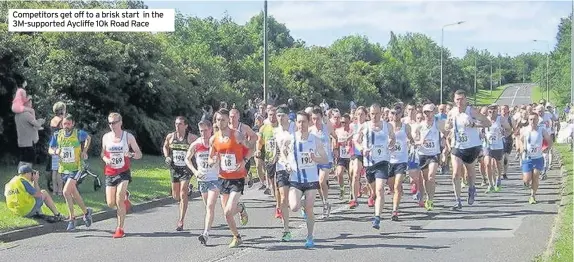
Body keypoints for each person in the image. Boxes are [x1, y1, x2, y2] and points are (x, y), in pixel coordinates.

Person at [278, 111, 329, 247]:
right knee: (294, 207)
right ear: (296, 123)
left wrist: (315, 159)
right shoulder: (291, 138)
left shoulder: (315, 139)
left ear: (309, 122)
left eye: (304, 122)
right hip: (295, 179)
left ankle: (310, 236)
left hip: (311, 180)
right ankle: (301, 205)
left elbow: (325, 158)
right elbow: (282, 152)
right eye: (299, 122)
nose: (301, 124)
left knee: (309, 208)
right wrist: (287, 163)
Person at [209, 108, 251, 248]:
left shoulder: (237, 135)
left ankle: (237, 231)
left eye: (223, 120)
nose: (220, 122)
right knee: (227, 214)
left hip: (237, 177)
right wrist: (213, 160)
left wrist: (244, 161)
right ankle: (237, 235)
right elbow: (210, 158)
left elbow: (251, 148)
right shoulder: (214, 139)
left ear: (228, 120)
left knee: (228, 211)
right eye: (218, 120)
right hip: (223, 178)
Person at [445, 90, 491, 210]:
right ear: (454, 100)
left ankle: (471, 188)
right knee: (455, 173)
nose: (459, 102)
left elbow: (488, 123)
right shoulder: (452, 112)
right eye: (457, 99)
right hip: (457, 146)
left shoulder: (472, 111)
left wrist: (474, 125)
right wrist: (448, 125)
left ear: (466, 99)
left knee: (470, 173)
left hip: (472, 146)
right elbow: (446, 127)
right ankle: (458, 201)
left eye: (461, 99)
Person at [48, 114, 93, 231]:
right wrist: (56, 151)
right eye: (64, 124)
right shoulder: (57, 135)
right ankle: (86, 212)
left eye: (68, 124)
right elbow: (50, 149)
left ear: (73, 124)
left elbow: (88, 138)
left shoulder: (78, 133)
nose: (66, 126)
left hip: (76, 168)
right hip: (64, 169)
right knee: (74, 193)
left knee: (66, 192)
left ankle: (72, 219)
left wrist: (84, 151)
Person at [101, 112, 143, 238]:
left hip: (123, 172)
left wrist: (130, 154)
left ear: (120, 123)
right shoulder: (106, 137)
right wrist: (106, 160)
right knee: (110, 203)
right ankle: (126, 197)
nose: (112, 125)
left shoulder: (128, 137)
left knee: (119, 197)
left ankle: (120, 228)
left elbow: (139, 154)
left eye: (114, 122)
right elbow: (102, 154)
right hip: (110, 172)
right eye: (109, 123)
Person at [186, 120, 220, 245]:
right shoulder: (196, 144)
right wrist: (195, 172)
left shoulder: (216, 143)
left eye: (205, 130)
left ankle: (205, 234)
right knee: (208, 207)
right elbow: (187, 158)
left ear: (210, 130)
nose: (203, 133)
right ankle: (240, 208)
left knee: (210, 206)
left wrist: (218, 159)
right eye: (201, 131)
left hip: (215, 179)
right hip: (202, 180)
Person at [162, 116, 196, 231]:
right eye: (176, 123)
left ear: (186, 126)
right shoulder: (171, 137)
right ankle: (188, 190)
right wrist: (167, 156)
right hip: (175, 169)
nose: (177, 126)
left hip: (186, 169)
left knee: (182, 194)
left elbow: (201, 146)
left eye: (180, 124)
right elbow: (165, 146)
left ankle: (181, 221)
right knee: (175, 196)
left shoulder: (191, 138)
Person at [518, 112, 553, 204]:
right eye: (531, 119)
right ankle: (526, 182)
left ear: (538, 120)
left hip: (538, 157)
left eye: (534, 119)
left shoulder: (542, 130)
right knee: (527, 179)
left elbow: (549, 140)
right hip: (527, 158)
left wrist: (547, 148)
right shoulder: (525, 130)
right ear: (528, 120)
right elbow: (519, 140)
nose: (532, 121)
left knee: (536, 175)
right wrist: (521, 148)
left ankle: (532, 196)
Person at [14, 96, 45, 168]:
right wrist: (41, 121)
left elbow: (29, 126)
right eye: (30, 102)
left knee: (23, 159)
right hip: (28, 142)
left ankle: (20, 175)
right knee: (29, 161)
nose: (31, 104)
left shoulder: (17, 115)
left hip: (21, 141)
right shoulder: (27, 114)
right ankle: (26, 176)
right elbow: (36, 124)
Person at [46, 101, 66, 195]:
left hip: (53, 145)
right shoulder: (62, 121)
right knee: (60, 170)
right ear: (62, 110)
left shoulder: (53, 120)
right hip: (60, 146)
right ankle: (60, 190)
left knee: (54, 170)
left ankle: (54, 190)